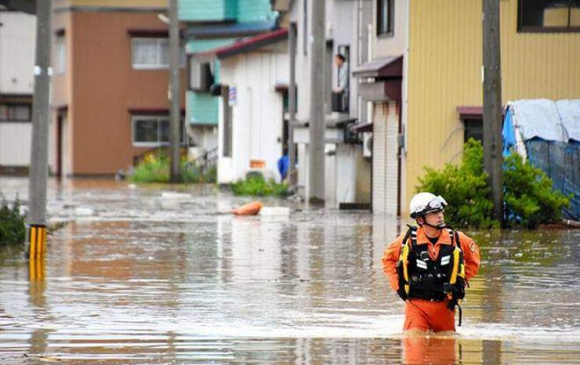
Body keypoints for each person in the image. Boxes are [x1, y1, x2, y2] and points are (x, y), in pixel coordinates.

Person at [382, 192, 480, 332]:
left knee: (445, 348)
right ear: (421, 219)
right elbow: (388, 260)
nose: (440, 215)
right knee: (414, 343)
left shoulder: (457, 239)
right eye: (434, 212)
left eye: (440, 211)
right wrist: (399, 286)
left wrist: (460, 281)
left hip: (445, 306)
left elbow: (473, 260)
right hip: (416, 306)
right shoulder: (407, 240)